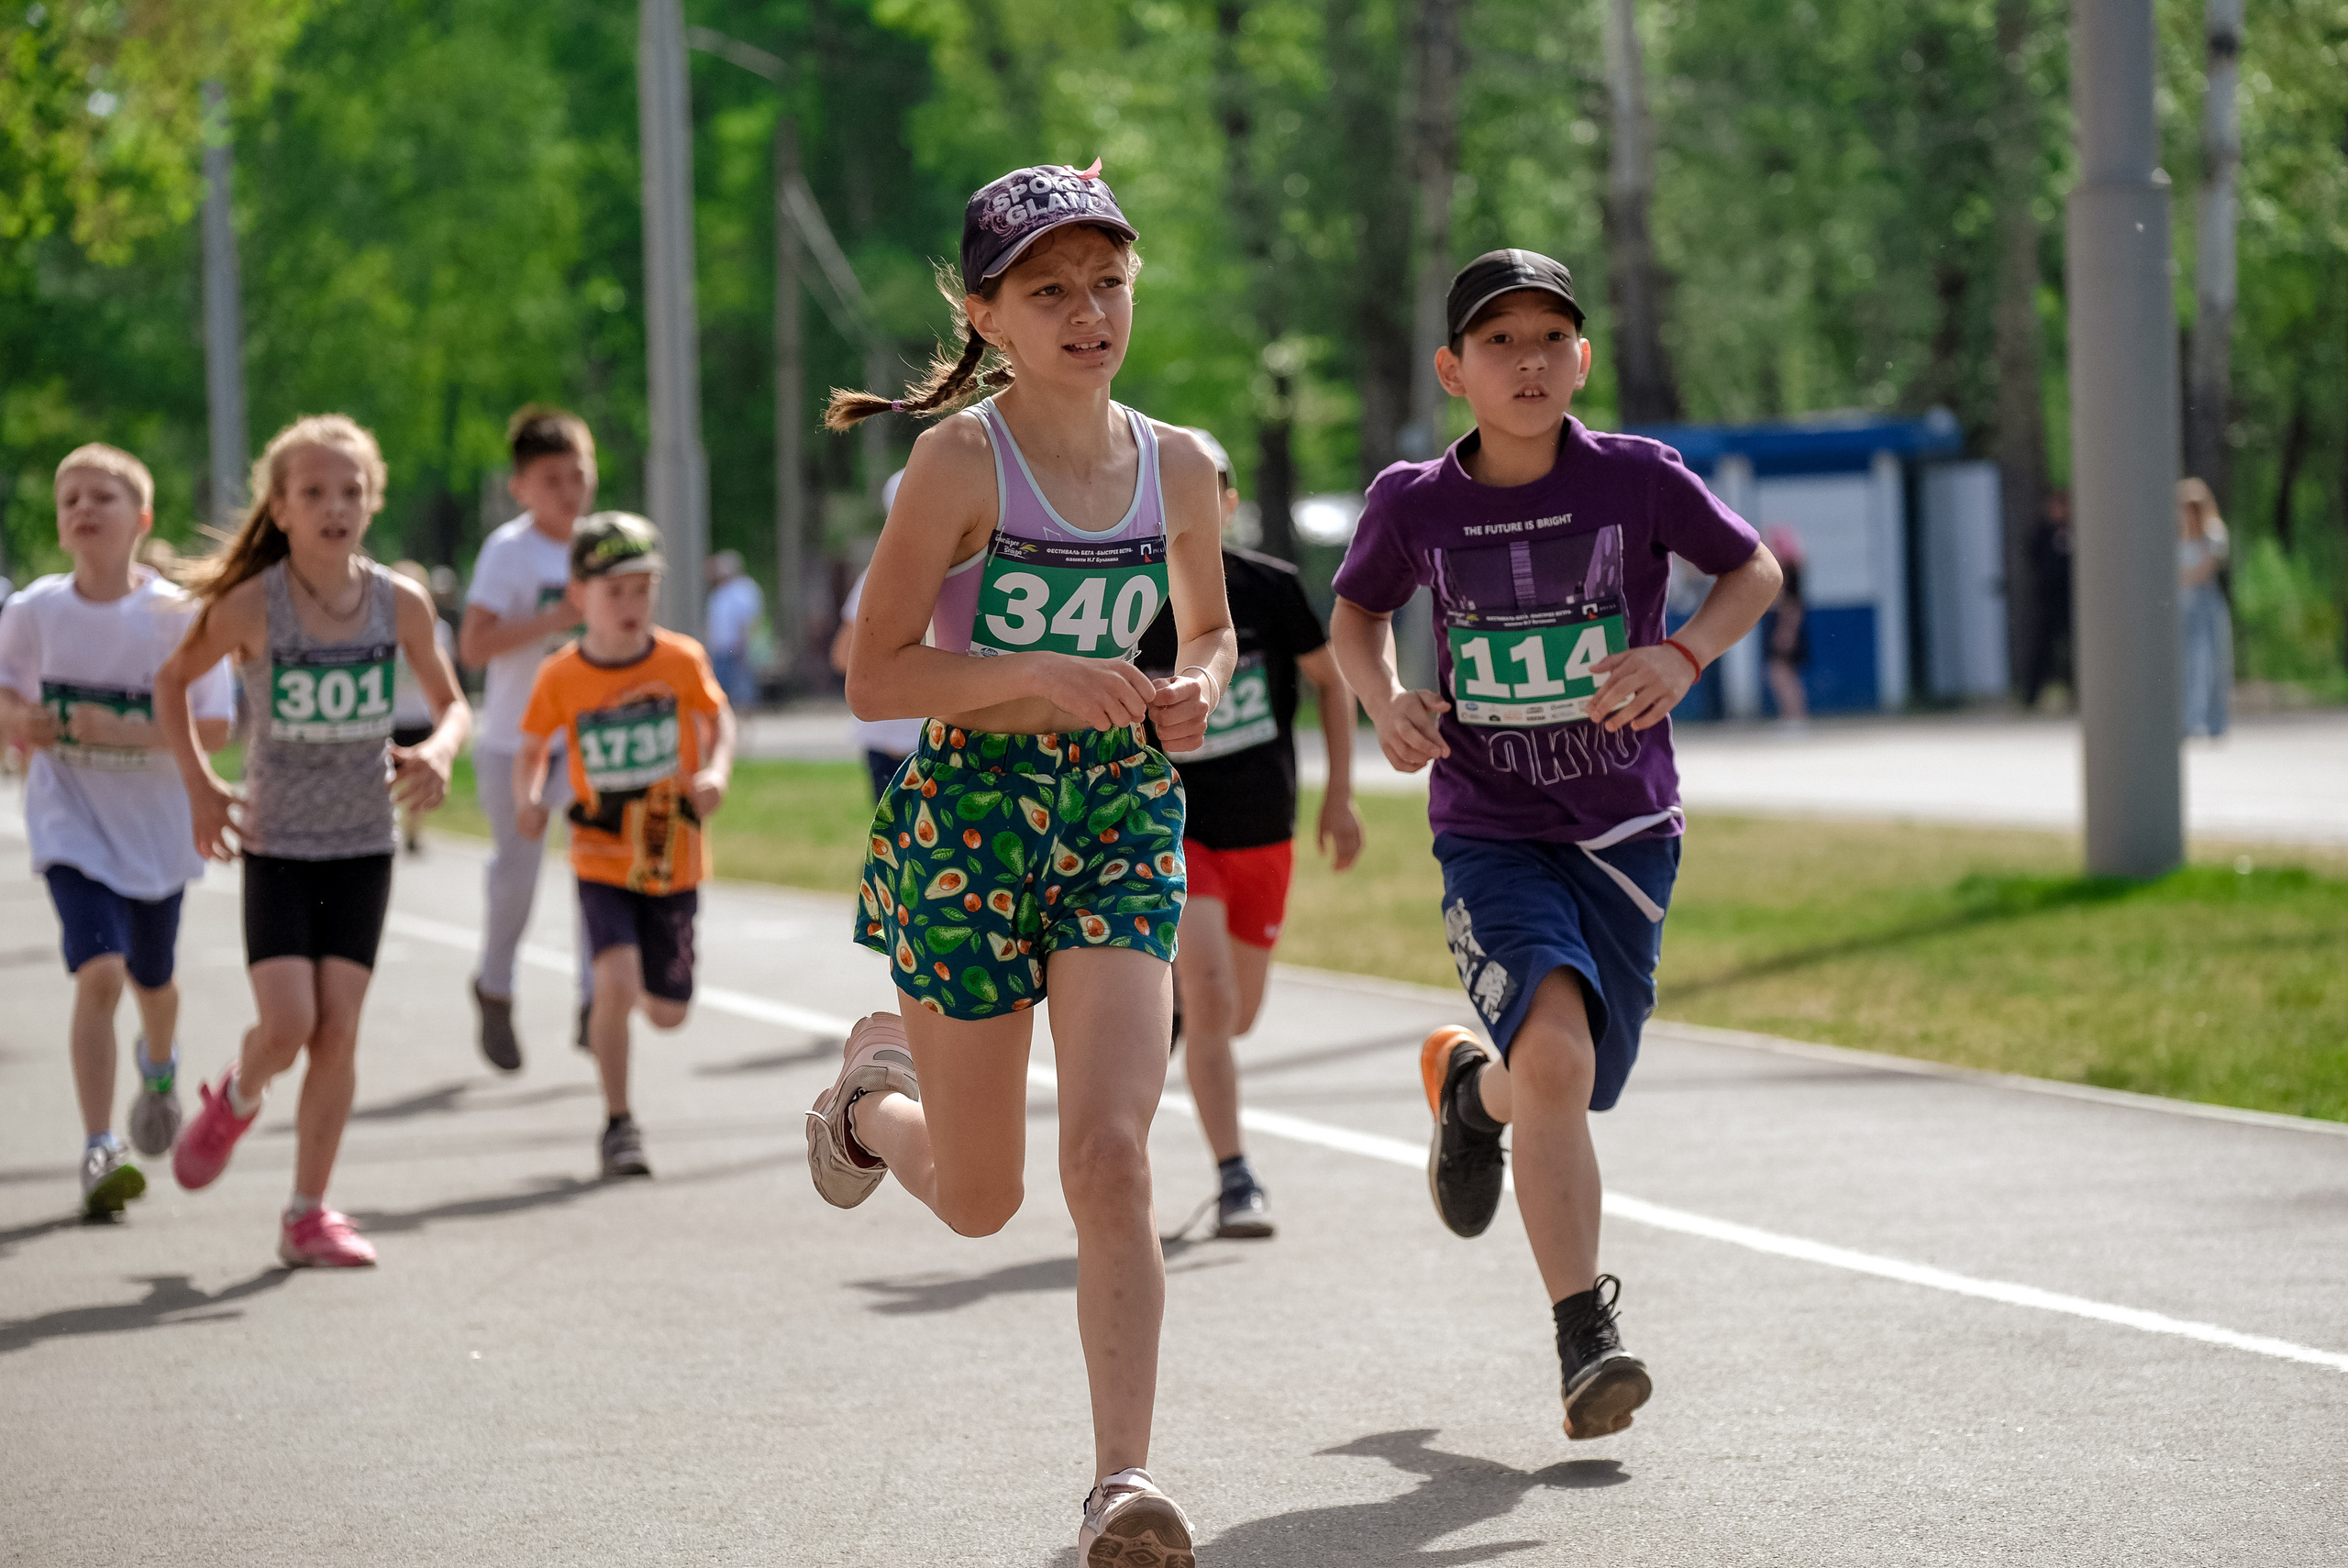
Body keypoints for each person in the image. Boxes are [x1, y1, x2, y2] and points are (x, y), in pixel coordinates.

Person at [805, 161, 1231, 1568]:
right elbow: (873, 673)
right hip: (970, 823)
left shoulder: (1178, 462)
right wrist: (1037, 672)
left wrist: (1195, 687)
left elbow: (1208, 629)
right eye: (1048, 289)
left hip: (1117, 815)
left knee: (1110, 1153)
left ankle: (1124, 1480)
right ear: (986, 311)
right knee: (982, 1196)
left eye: (1108, 280)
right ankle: (873, 1105)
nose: (1088, 311)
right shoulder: (958, 464)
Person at [1328, 249, 1779, 1443]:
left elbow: (1754, 568)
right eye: (1498, 343)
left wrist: (1680, 653)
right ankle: (1587, 1332)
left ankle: (1472, 1097)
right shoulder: (1413, 501)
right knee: (1565, 1064)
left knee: (1568, 1081)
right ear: (1453, 370)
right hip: (1490, 828)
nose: (1527, 363)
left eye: (1549, 340)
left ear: (1581, 357)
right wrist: (1387, 703)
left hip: (1627, 826)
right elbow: (1358, 615)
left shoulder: (1637, 478)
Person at [155, 414, 470, 1267]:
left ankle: (307, 1212)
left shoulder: (398, 602)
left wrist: (439, 751)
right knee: (289, 1024)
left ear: (371, 503)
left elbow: (452, 703)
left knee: (338, 1033)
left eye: (351, 491)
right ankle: (238, 1093)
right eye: (314, 493)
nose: (335, 506)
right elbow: (173, 681)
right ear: (282, 509)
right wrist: (199, 787)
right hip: (279, 843)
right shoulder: (252, 604)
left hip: (364, 844)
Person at [1135, 426, 1364, 1240]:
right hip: (1173, 826)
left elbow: (1332, 687)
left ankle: (1162, 1019)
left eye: (1205, 487)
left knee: (1234, 1017)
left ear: (1226, 502)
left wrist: (1340, 797)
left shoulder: (1268, 588)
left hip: (1264, 825)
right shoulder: (1135, 600)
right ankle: (1237, 1177)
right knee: (1213, 995)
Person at [0, 445, 235, 1218]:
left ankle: (159, 1066)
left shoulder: (174, 615)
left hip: (157, 831)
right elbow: (3, 695)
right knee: (99, 972)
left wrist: (118, 730)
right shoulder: (35, 611)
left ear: (142, 518)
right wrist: (21, 720)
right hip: (72, 822)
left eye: (103, 496)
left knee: (153, 983)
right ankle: (100, 1148)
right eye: (70, 498)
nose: (83, 508)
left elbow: (216, 723)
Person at [513, 513, 735, 1178]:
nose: (631, 605)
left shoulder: (680, 660)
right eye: (615, 591)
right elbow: (532, 748)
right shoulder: (561, 676)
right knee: (615, 980)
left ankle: (614, 1007)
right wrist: (529, 799)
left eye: (643, 589)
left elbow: (716, 718)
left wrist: (716, 772)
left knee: (665, 1014)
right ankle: (618, 1123)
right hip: (601, 855)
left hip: (673, 860)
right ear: (578, 595)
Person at [460, 405, 598, 1071]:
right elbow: (475, 644)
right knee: (518, 874)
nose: (569, 492)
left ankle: (597, 1003)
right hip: (517, 742)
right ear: (520, 487)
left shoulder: (603, 542)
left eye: (578, 475)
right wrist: (558, 617)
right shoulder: (509, 551)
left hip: (593, 739)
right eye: (552, 480)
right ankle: (494, 985)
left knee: (599, 863)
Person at [832, 469, 924, 800]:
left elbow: (843, 656)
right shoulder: (878, 576)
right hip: (896, 739)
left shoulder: (875, 574)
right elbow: (844, 657)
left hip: (914, 738)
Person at [391, 559, 459, 855]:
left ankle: (413, 832)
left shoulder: (438, 629)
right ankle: (387, 826)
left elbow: (448, 686)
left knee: (418, 778)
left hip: (420, 714)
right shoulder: (376, 627)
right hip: (391, 716)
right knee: (386, 777)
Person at [2177, 477, 2232, 739]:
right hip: (2180, 606)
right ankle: (2185, 720)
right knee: (2182, 665)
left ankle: (2209, 721)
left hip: (2204, 605)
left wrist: (2180, 575)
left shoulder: (2213, 531)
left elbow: (2203, 571)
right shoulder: (2176, 533)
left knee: (2208, 664)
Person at [2021, 488, 2074, 710]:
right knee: (2042, 648)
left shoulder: (2073, 532)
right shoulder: (2042, 532)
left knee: (2074, 649)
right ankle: (2031, 696)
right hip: (2048, 600)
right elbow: (2036, 559)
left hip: (2070, 601)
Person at [1761, 524, 1809, 729]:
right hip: (1785, 627)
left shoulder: (1789, 573)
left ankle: (1795, 718)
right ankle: (1793, 718)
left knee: (1781, 675)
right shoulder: (1793, 572)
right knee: (1785, 675)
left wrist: (1786, 632)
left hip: (1785, 628)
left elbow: (1792, 606)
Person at [704, 549, 764, 711]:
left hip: (737, 649)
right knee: (721, 691)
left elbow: (747, 622)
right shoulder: (718, 594)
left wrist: (743, 649)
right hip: (720, 650)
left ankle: (745, 730)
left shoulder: (743, 589)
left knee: (742, 692)